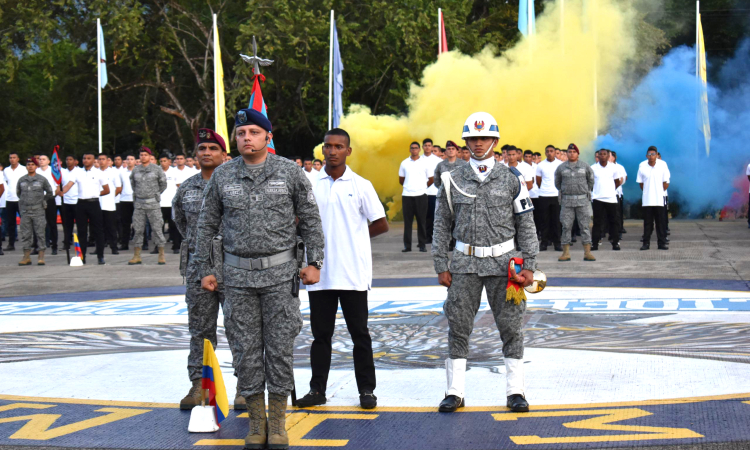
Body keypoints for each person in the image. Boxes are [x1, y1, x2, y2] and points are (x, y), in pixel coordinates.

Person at [194, 108, 324, 450]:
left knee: (279, 349)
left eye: (253, 131)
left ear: (268, 136)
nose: (246, 138)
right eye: (240, 133)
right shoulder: (223, 176)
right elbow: (205, 226)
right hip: (236, 278)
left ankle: (278, 422)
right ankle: (256, 422)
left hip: (282, 277)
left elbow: (311, 219)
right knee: (245, 351)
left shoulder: (290, 172)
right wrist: (206, 269)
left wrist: (316, 262)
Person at [433, 111, 537, 414]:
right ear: (466, 142)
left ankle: (515, 391)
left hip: (505, 264)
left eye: (484, 138)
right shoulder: (451, 178)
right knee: (458, 325)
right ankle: (455, 391)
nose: (478, 143)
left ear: (495, 140)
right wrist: (441, 263)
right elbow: (441, 224)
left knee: (511, 326)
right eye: (473, 139)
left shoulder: (512, 178)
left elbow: (526, 224)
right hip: (464, 263)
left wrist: (528, 263)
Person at [296, 128, 388, 410]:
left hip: (353, 274)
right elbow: (298, 221)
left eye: (338, 146)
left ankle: (367, 391)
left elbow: (381, 223)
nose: (332, 151)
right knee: (321, 336)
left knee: (360, 335)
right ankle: (317, 391)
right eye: (327, 146)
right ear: (321, 150)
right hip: (319, 274)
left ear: (348, 151)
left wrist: (356, 236)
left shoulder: (361, 184)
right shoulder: (310, 184)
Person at [172, 128, 243, 410]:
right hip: (197, 269)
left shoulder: (236, 184)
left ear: (224, 155)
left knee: (240, 328)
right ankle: (199, 386)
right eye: (202, 149)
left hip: (233, 265)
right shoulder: (186, 188)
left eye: (213, 149)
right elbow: (181, 224)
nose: (206, 153)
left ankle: (244, 388)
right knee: (200, 330)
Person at [59, 152, 109, 264]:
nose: (86, 160)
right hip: (81, 203)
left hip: (94, 203)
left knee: (98, 230)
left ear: (93, 160)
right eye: (84, 158)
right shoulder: (77, 172)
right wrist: (62, 192)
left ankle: (100, 256)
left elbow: (107, 190)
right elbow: (69, 184)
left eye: (88, 158)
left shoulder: (99, 173)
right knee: (81, 231)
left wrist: (95, 193)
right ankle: (82, 256)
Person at [555, 144, 595, 262]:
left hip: (582, 201)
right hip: (567, 201)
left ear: (578, 154)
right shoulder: (561, 168)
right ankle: (566, 253)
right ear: (566, 153)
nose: (571, 153)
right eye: (569, 151)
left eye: (574, 151)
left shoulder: (585, 166)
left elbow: (591, 181)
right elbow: (557, 183)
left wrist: (583, 190)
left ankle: (587, 252)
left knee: (585, 226)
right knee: (566, 226)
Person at [128, 146, 167, 265]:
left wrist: (155, 194)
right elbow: (133, 184)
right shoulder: (135, 170)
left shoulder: (157, 169)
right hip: (139, 204)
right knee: (138, 229)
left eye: (145, 155)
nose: (143, 157)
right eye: (141, 155)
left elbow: (163, 184)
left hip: (153, 203)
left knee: (157, 228)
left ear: (150, 157)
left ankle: (161, 254)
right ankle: (137, 255)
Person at [16, 158, 54, 265]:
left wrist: (43, 201)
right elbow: (18, 193)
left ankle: (41, 256)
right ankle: (26, 256)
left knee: (40, 233)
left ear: (36, 166)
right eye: (28, 164)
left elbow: (50, 192)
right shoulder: (22, 180)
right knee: (26, 234)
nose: (30, 166)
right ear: (26, 166)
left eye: (33, 164)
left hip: (38, 210)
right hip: (25, 211)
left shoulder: (42, 179)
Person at [398, 141, 434, 252]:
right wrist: (409, 186)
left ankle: (422, 245)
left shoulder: (425, 163)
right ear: (409, 150)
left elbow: (431, 179)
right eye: (412, 148)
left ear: (419, 150)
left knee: (421, 221)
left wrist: (422, 187)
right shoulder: (404, 163)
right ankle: (407, 246)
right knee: (407, 222)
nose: (414, 150)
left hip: (421, 195)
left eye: (416, 148)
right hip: (407, 195)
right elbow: (401, 180)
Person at [637, 146, 670, 250]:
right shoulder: (642, 165)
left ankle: (661, 243)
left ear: (657, 155)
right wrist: (648, 192)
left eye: (653, 154)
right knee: (647, 224)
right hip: (647, 200)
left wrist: (659, 192)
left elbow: (666, 183)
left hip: (659, 199)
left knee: (660, 223)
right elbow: (641, 183)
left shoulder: (663, 165)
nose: (651, 157)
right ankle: (646, 243)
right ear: (646, 156)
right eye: (649, 155)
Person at [590, 149, 621, 251]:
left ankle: (615, 243)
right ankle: (595, 243)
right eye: (600, 154)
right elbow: (590, 183)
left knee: (613, 222)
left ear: (608, 156)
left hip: (611, 198)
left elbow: (617, 181)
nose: (602, 156)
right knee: (597, 222)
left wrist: (610, 190)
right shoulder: (593, 168)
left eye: (604, 154)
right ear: (597, 156)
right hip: (598, 198)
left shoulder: (613, 167)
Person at [535, 145, 563, 251]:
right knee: (544, 220)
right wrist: (543, 188)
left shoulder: (560, 164)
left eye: (552, 151)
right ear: (545, 153)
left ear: (555, 152)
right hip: (544, 195)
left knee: (556, 220)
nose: (550, 153)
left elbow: (561, 179)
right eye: (548, 151)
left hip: (556, 195)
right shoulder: (541, 165)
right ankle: (544, 243)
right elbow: (538, 180)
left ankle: (557, 243)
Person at [36, 155, 60, 255]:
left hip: (50, 199)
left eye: (43, 159)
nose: (41, 161)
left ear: (49, 161)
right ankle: (39, 246)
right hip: (38, 200)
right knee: (38, 224)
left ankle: (54, 246)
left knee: (52, 223)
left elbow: (58, 186)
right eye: (40, 159)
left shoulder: (53, 171)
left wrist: (51, 196)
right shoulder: (36, 172)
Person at [3, 152, 28, 251]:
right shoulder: (6, 170)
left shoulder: (23, 169)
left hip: (21, 199)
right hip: (10, 199)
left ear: (18, 159)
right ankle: (11, 244)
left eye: (14, 157)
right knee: (10, 223)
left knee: (25, 222)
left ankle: (27, 244)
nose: (12, 159)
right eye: (10, 158)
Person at [97, 154, 121, 255]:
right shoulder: (94, 172)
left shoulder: (113, 172)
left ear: (108, 160)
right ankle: (99, 248)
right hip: (97, 204)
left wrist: (112, 197)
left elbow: (119, 188)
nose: (101, 161)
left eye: (103, 159)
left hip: (109, 204)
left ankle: (114, 247)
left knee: (111, 227)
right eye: (100, 159)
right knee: (98, 228)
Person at [157, 154, 179, 255]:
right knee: (158, 227)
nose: (163, 163)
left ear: (169, 162)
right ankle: (158, 247)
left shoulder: (174, 171)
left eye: (165, 161)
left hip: (171, 203)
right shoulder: (157, 171)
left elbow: (179, 186)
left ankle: (176, 246)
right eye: (161, 161)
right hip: (159, 203)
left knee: (173, 226)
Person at [59, 155, 81, 251]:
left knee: (80, 224)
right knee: (67, 224)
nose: (68, 161)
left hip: (77, 201)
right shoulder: (62, 172)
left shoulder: (80, 172)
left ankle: (80, 242)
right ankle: (67, 242)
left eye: (71, 159)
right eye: (67, 159)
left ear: (76, 161)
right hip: (66, 202)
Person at [422, 138, 442, 244]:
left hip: (435, 192)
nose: (427, 147)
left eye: (429, 145)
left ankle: (436, 237)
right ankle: (426, 237)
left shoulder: (438, 161)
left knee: (435, 216)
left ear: (432, 147)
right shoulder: (419, 160)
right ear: (422, 147)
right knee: (425, 216)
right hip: (422, 193)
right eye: (425, 145)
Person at [118, 153, 135, 250]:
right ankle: (124, 244)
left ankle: (142, 243)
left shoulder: (139, 172)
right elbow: (119, 186)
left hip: (136, 200)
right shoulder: (122, 172)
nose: (129, 161)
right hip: (124, 200)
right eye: (127, 159)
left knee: (139, 223)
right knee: (125, 224)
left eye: (131, 159)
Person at [610, 151, 627, 236]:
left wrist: (617, 185)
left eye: (610, 156)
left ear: (614, 157)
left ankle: (619, 229)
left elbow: (624, 178)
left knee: (617, 213)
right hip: (606, 194)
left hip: (617, 193)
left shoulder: (619, 167)